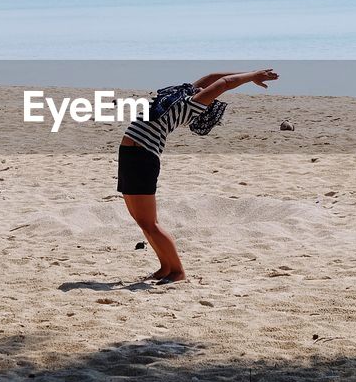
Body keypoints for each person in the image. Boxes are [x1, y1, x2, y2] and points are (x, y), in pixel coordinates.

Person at [118, 69, 279, 284]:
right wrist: (251, 72)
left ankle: (177, 271)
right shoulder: (181, 96)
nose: (204, 88)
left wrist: (251, 77)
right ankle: (165, 267)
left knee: (150, 223)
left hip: (142, 158)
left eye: (207, 92)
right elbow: (213, 77)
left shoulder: (189, 106)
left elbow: (223, 83)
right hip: (131, 157)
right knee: (142, 221)